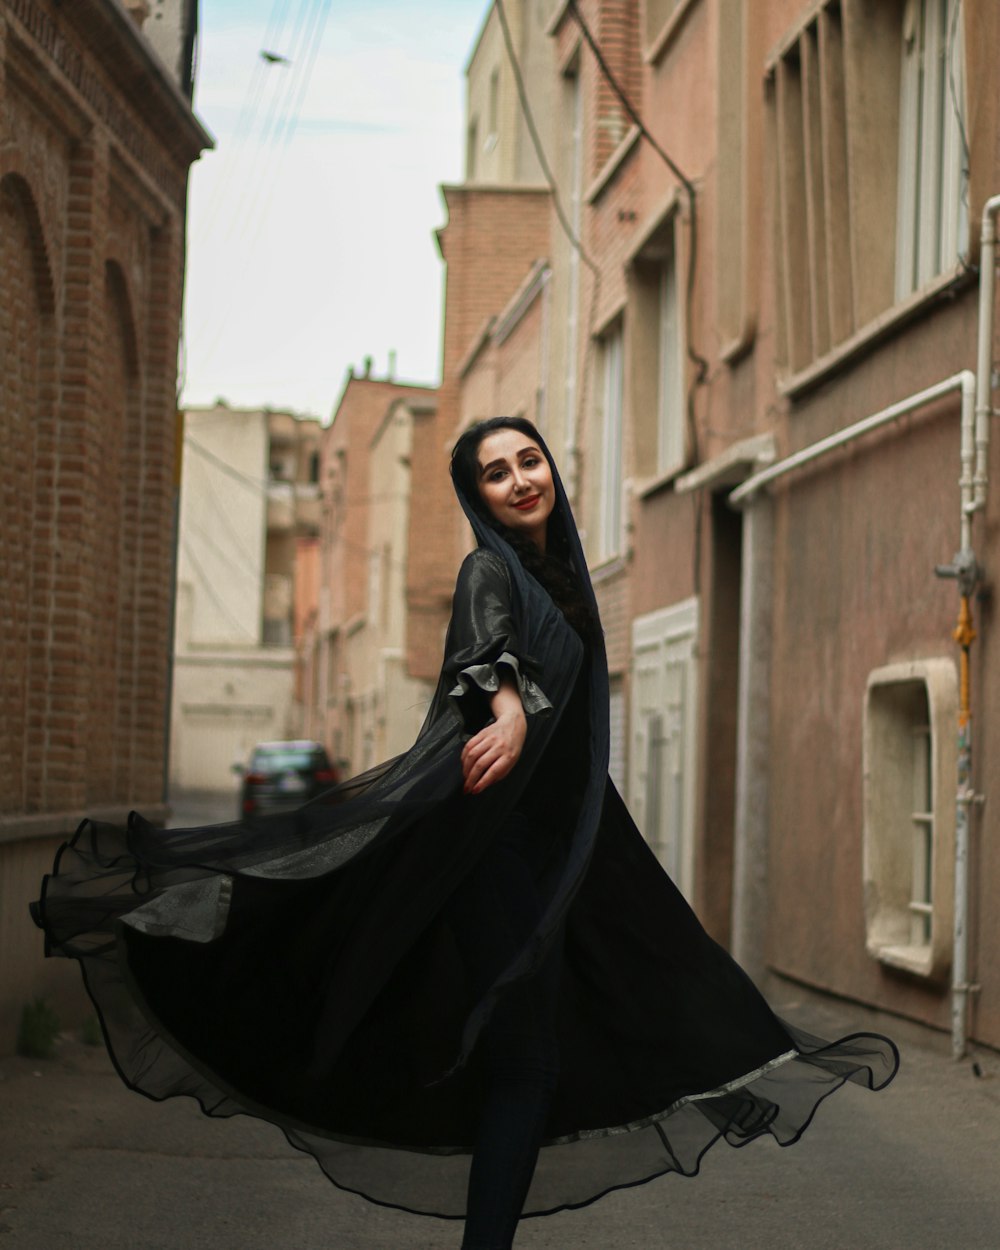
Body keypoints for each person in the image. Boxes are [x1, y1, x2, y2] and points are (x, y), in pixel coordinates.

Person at [32, 417, 898, 1250]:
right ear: (476, 494)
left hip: (553, 851)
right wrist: (511, 709)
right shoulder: (492, 572)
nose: (522, 479)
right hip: (492, 850)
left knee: (547, 1051)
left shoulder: (561, 575)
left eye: (531, 460)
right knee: (528, 1064)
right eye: (498, 470)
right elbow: (486, 650)